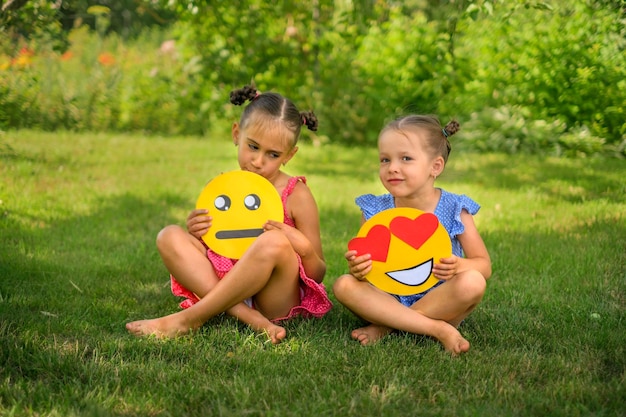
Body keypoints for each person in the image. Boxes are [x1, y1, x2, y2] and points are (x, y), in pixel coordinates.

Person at [126, 85, 332, 344]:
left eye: (273, 154)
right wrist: (197, 231)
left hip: (274, 296)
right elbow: (214, 247)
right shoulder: (222, 187)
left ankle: (189, 319)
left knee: (274, 241)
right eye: (253, 147)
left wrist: (303, 247)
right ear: (237, 134)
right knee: (169, 235)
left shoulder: (296, 194)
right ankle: (248, 317)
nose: (258, 161)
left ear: (289, 155)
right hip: (227, 281)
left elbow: (318, 273)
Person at [332, 115, 491, 356]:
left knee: (474, 282)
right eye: (385, 160)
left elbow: (484, 266)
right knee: (344, 285)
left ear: (435, 166)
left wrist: (459, 265)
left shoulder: (455, 209)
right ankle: (437, 328)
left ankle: (387, 324)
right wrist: (359, 270)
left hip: (441, 297)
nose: (392, 167)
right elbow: (369, 271)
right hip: (387, 296)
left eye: (406, 158)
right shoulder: (376, 210)